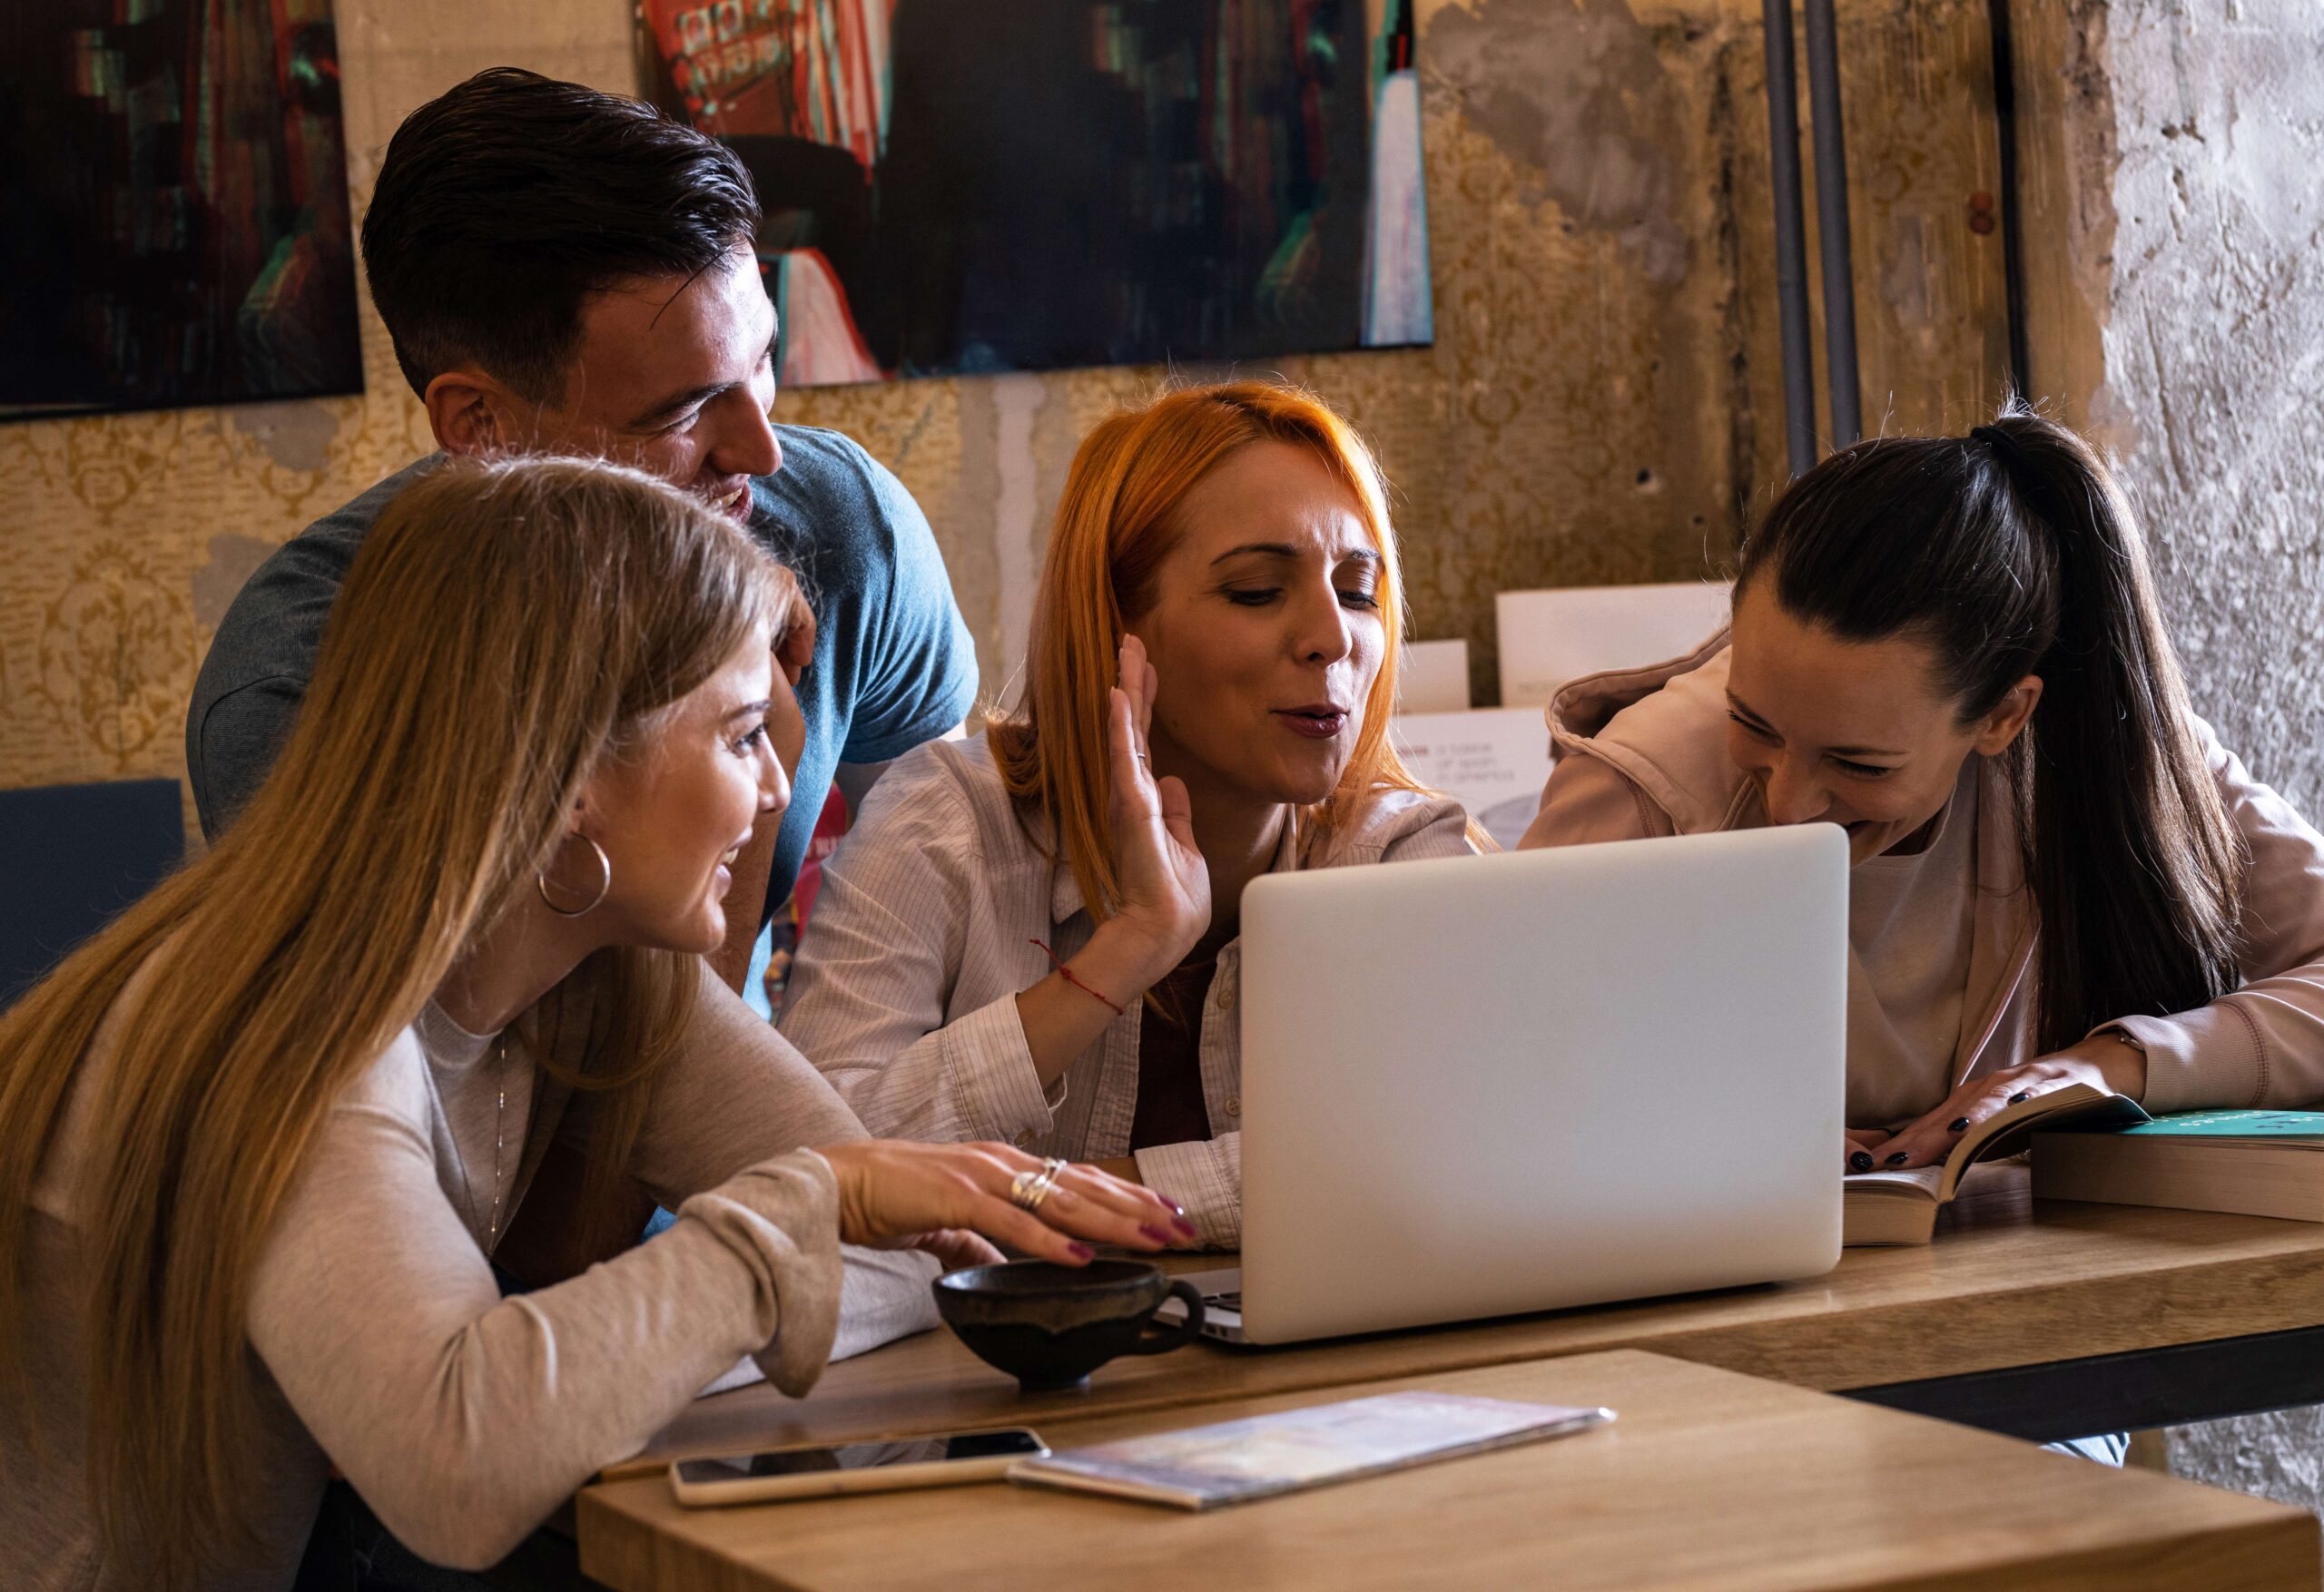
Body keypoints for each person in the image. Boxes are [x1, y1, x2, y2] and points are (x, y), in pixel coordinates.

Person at [0, 458, 1180, 1592]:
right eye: (736, 735)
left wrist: (850, 1215)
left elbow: (881, 1240)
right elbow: (455, 1465)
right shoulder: (298, 1029)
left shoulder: (599, 978)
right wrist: (802, 1211)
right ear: (567, 772)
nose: (780, 787)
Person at [187, 67, 978, 981]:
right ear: (481, 427)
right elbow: (525, 1091)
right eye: (682, 411)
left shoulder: (843, 522)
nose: (760, 453)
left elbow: (939, 930)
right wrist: (766, 729)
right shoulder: (302, 687)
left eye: (760, 360)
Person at [1521, 407, 2324, 1173]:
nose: (1791, 806)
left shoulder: (2107, 746)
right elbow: (1507, 1086)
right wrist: (1704, 1144)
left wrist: (2115, 1065)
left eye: (1861, 764)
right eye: (1753, 722)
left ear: (2006, 715)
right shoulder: (1638, 787)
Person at [779, 382, 1477, 1247]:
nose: (1332, 637)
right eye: (1258, 590)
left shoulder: (1402, 852)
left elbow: (1446, 1151)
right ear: (1115, 624)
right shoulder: (947, 822)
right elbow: (806, 1168)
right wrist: (1128, 947)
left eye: (1359, 590)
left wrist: (1050, 1197)